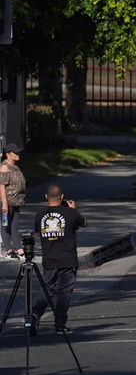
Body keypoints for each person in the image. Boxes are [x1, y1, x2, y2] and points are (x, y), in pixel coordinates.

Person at [25, 185, 84, 334]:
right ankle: (60, 324)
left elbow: (38, 233)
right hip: (67, 258)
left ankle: (36, 314)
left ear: (46, 197)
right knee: (64, 292)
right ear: (62, 197)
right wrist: (73, 209)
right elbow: (83, 222)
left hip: (49, 258)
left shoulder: (40, 214)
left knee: (47, 290)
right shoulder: (70, 213)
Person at [0, 141, 27, 259]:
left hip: (16, 201)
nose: (18, 154)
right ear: (8, 154)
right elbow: (1, 186)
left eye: (18, 152)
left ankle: (18, 248)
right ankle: (9, 250)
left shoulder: (15, 166)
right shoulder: (4, 167)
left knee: (14, 226)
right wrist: (4, 204)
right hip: (7, 202)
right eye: (15, 152)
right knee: (6, 225)